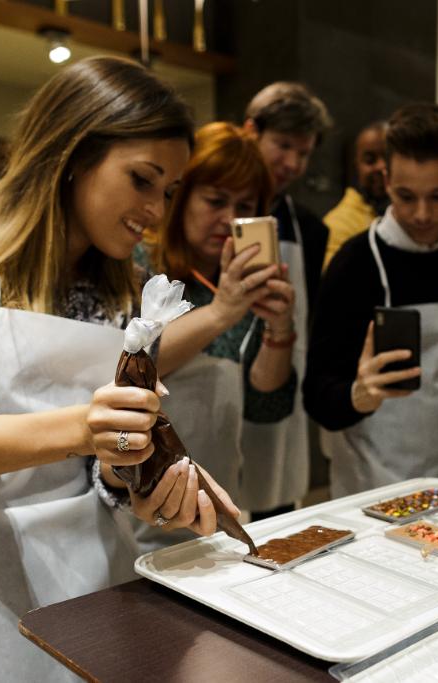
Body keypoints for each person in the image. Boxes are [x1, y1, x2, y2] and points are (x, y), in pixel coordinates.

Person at [0, 57, 238, 680]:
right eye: (142, 180)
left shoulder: (128, 285)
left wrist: (141, 478)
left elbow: (104, 475)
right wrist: (84, 428)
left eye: (169, 191)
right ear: (73, 151)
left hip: (90, 583)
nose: (156, 210)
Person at [304, 103, 438, 498]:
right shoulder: (355, 262)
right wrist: (358, 394)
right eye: (406, 196)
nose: (422, 214)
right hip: (373, 477)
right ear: (386, 180)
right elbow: (317, 394)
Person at [137, 122, 297, 546]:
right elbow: (127, 365)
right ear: (180, 196)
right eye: (215, 200)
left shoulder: (240, 283)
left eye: (244, 205)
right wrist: (222, 312)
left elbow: (265, 406)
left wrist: (280, 328)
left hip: (217, 498)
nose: (229, 219)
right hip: (133, 498)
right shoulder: (139, 265)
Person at [242, 82, 332, 514]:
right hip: (214, 382)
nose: (293, 163)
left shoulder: (310, 230)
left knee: (273, 500)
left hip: (279, 378)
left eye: (304, 152)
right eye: (283, 145)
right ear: (250, 131)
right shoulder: (211, 214)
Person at [322, 121, 389, 269]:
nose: (381, 167)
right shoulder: (337, 225)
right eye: (370, 160)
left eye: (388, 158)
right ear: (356, 166)